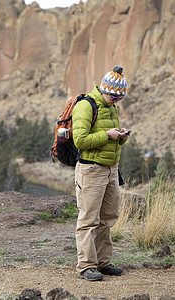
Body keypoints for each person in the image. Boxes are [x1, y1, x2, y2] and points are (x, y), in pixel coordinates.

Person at [72, 65, 130, 281]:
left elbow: (110, 137)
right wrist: (107, 135)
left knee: (108, 218)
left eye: (119, 98)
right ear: (106, 89)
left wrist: (121, 136)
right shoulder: (86, 106)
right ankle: (86, 266)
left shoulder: (111, 107)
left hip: (111, 170)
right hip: (91, 170)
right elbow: (81, 140)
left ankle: (103, 263)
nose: (116, 101)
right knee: (88, 219)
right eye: (114, 96)